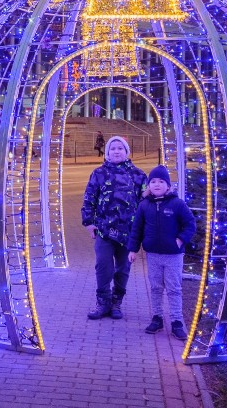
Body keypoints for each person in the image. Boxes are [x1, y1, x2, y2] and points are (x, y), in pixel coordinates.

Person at [81, 136, 147, 320]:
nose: (116, 151)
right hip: (104, 230)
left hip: (129, 232)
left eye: (120, 148)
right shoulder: (98, 173)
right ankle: (103, 302)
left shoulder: (139, 175)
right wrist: (89, 222)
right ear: (107, 152)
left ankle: (116, 302)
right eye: (113, 148)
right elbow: (89, 199)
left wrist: (141, 230)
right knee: (103, 265)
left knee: (123, 268)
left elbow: (145, 204)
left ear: (127, 152)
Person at [128, 165, 196, 340]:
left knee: (174, 289)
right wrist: (133, 249)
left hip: (173, 255)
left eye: (161, 182)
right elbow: (137, 229)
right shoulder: (144, 206)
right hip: (153, 255)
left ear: (168, 185)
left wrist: (180, 239)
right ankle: (157, 318)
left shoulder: (177, 204)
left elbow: (190, 224)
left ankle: (177, 322)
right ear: (148, 185)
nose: (156, 185)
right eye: (153, 182)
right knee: (156, 288)